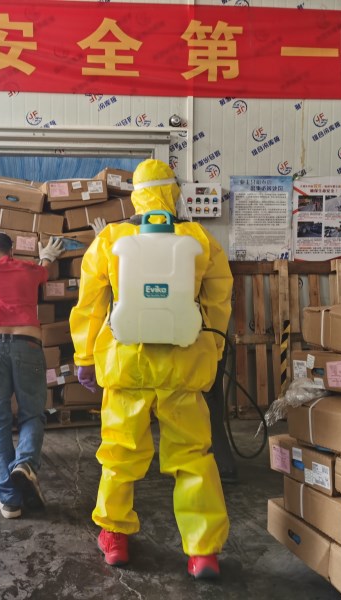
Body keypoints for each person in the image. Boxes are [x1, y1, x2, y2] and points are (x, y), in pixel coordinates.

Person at [69, 159, 233, 579]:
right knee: (193, 457)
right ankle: (203, 553)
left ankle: (114, 536)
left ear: (136, 196)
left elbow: (89, 305)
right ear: (173, 193)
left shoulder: (111, 239)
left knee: (119, 454)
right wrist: (212, 349)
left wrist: (84, 356)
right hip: (184, 368)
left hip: (126, 367)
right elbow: (218, 302)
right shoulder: (200, 240)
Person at [0, 232, 65, 519]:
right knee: (32, 414)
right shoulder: (27, 269)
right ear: (11, 251)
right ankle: (25, 463)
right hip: (28, 344)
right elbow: (45, 270)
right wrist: (46, 255)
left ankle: (8, 499)